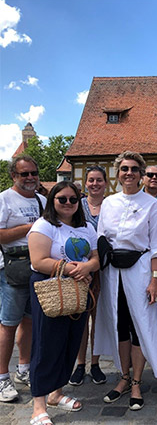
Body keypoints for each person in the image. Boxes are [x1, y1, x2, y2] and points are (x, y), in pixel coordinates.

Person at [94, 151, 157, 411]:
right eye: (124, 169)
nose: (129, 173)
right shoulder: (109, 203)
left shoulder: (152, 205)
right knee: (120, 325)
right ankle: (123, 378)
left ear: (141, 174)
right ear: (118, 173)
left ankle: (137, 381)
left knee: (140, 327)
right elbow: (101, 238)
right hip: (112, 273)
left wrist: (155, 279)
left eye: (134, 169)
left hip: (141, 271)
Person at [27, 181, 100, 425]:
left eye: (73, 199)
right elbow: (38, 261)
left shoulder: (86, 227)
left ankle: (56, 394)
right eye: (62, 199)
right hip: (51, 287)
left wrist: (88, 266)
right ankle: (38, 404)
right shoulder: (45, 225)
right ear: (53, 201)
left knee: (70, 341)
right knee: (46, 344)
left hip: (78, 288)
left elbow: (95, 255)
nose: (68, 203)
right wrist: (72, 268)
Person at [0, 155, 46, 403]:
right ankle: (1, 378)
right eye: (24, 173)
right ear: (13, 176)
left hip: (37, 266)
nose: (30, 177)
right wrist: (31, 227)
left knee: (29, 321)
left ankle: (24, 369)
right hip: (12, 269)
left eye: (33, 173)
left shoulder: (42, 200)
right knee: (8, 323)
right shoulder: (4, 199)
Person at [69, 166, 108, 386]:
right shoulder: (78, 205)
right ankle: (80, 364)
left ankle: (95, 363)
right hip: (81, 270)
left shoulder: (110, 206)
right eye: (91, 180)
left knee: (99, 318)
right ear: (85, 183)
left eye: (99, 180)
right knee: (81, 318)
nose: (95, 184)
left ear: (105, 183)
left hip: (104, 269)